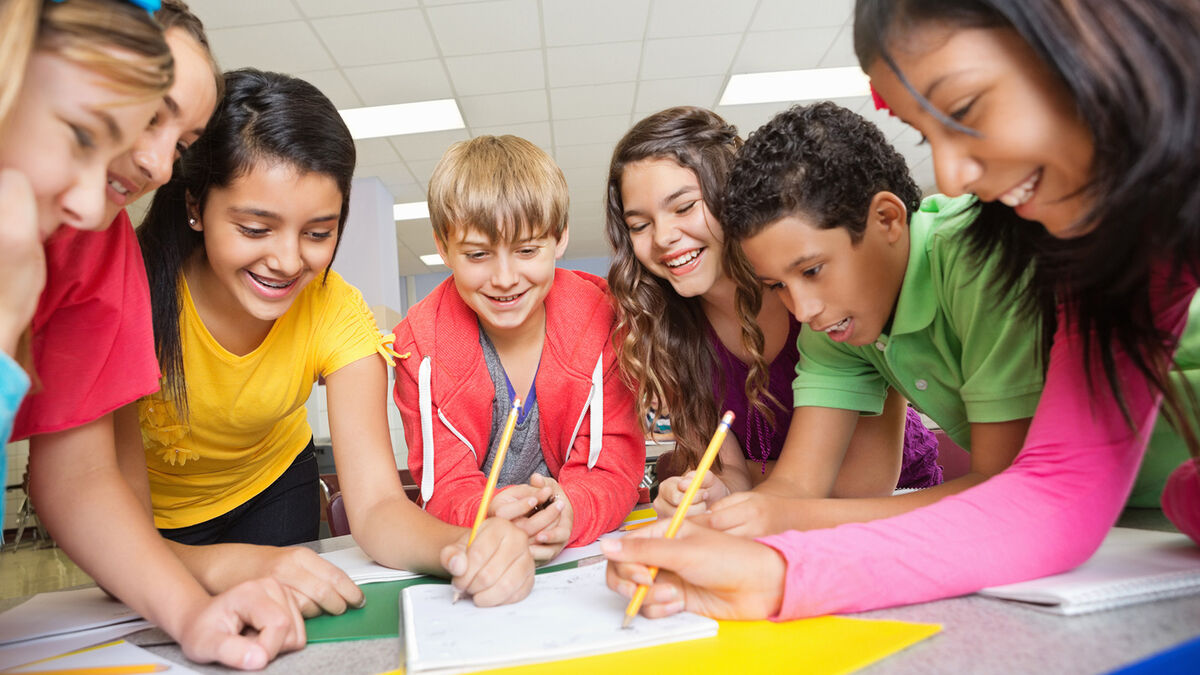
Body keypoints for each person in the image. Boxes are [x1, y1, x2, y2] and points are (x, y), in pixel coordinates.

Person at [602, 0, 1200, 621]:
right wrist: (775, 571)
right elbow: (1058, 495)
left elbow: (1023, 489)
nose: (952, 174)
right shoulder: (1108, 247)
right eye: (926, 133)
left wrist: (782, 547)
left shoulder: (985, 256)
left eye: (966, 110)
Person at [129, 68, 535, 609]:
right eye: (255, 229)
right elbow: (104, 518)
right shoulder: (132, 293)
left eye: (318, 233)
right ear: (195, 206)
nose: (288, 261)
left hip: (272, 494)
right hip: (144, 524)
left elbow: (374, 508)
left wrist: (464, 547)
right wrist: (228, 562)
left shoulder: (335, 309)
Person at [5, 0, 307, 668]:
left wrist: (191, 612)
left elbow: (80, 474)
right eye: (147, 114)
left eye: (183, 143)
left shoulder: (98, 242)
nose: (160, 165)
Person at [604, 106, 941, 521]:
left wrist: (753, 477)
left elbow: (860, 486)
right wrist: (713, 490)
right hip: (779, 515)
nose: (664, 237)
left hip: (897, 506)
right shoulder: (667, 330)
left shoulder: (830, 300)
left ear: (734, 199)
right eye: (639, 225)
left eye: (684, 207)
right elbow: (732, 474)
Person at [392, 134, 645, 562]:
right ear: (442, 247)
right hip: (482, 554)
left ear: (560, 238)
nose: (505, 278)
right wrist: (485, 512)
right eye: (477, 255)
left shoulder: (608, 324)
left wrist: (572, 510)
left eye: (527, 250)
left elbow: (612, 470)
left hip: (579, 557)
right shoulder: (418, 348)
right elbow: (444, 487)